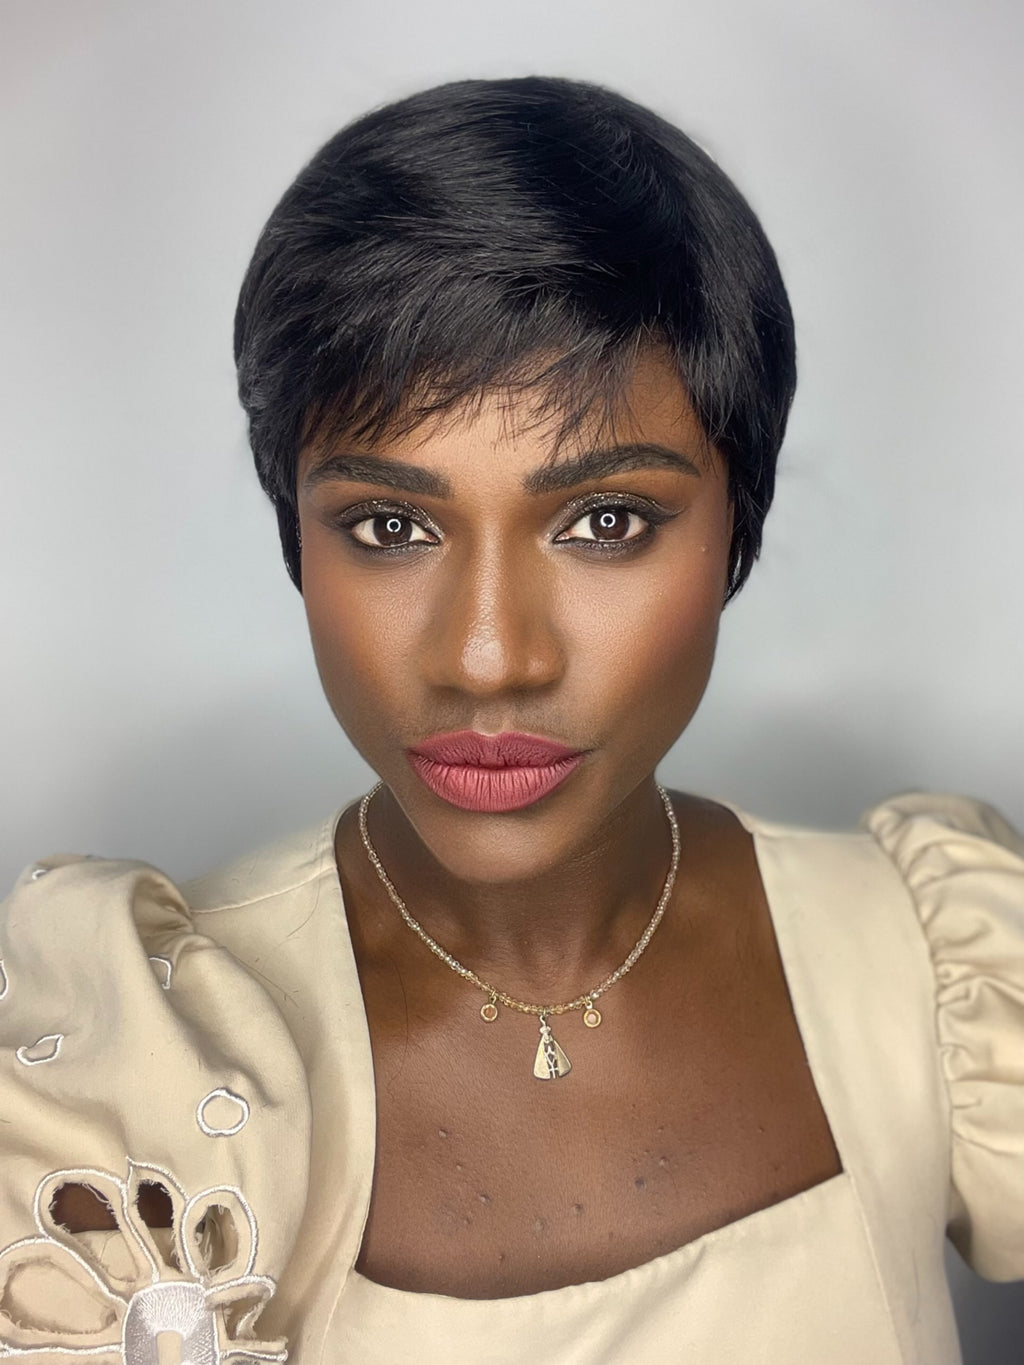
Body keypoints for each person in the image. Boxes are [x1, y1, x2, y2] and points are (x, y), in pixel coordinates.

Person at [0, 75, 1021, 1364]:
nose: (489, 660)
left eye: (605, 521)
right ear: (296, 541)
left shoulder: (935, 966)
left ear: (736, 531)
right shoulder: (137, 1079)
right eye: (391, 526)